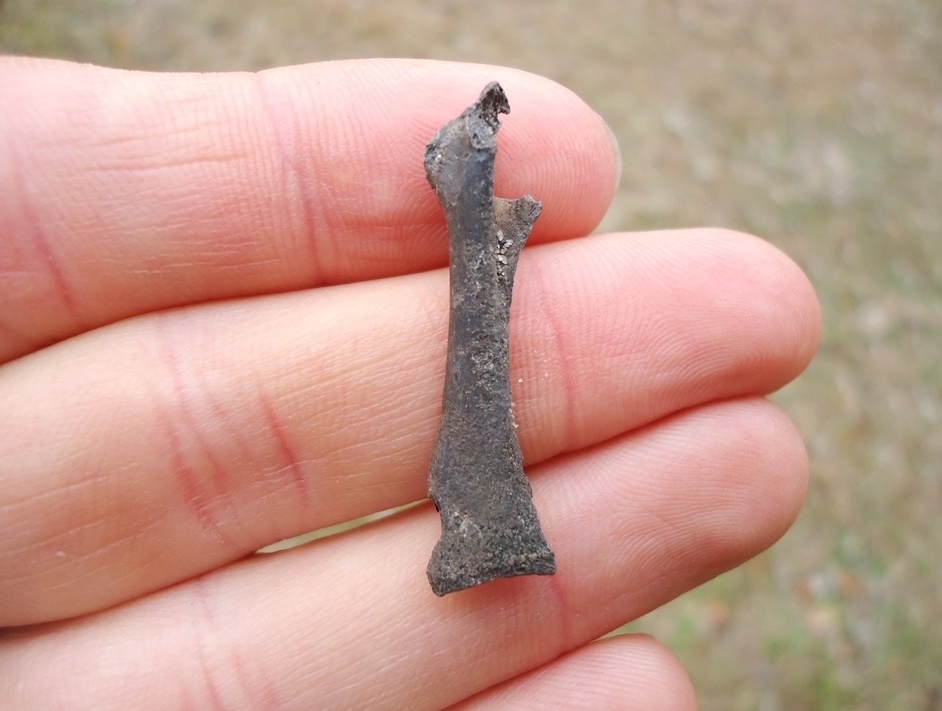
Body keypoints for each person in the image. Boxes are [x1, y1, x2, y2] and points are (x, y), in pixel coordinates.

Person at [0, 57, 821, 709]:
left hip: (476, 328)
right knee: (479, 378)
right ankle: (483, 527)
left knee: (481, 372)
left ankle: (486, 526)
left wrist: (489, 229)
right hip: (472, 324)